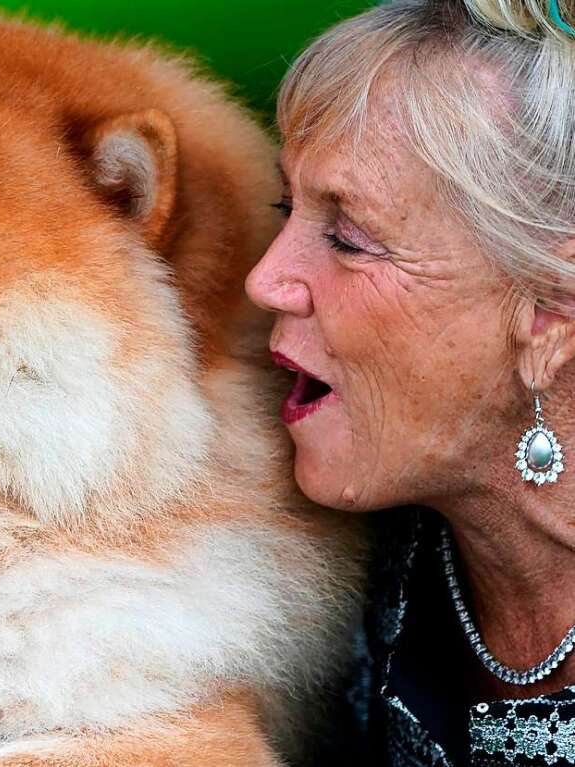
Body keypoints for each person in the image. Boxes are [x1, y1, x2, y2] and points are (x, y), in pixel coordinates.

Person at [245, 0, 575, 763]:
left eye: (349, 240)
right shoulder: (345, 546)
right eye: (283, 206)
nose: (266, 279)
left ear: (550, 310)